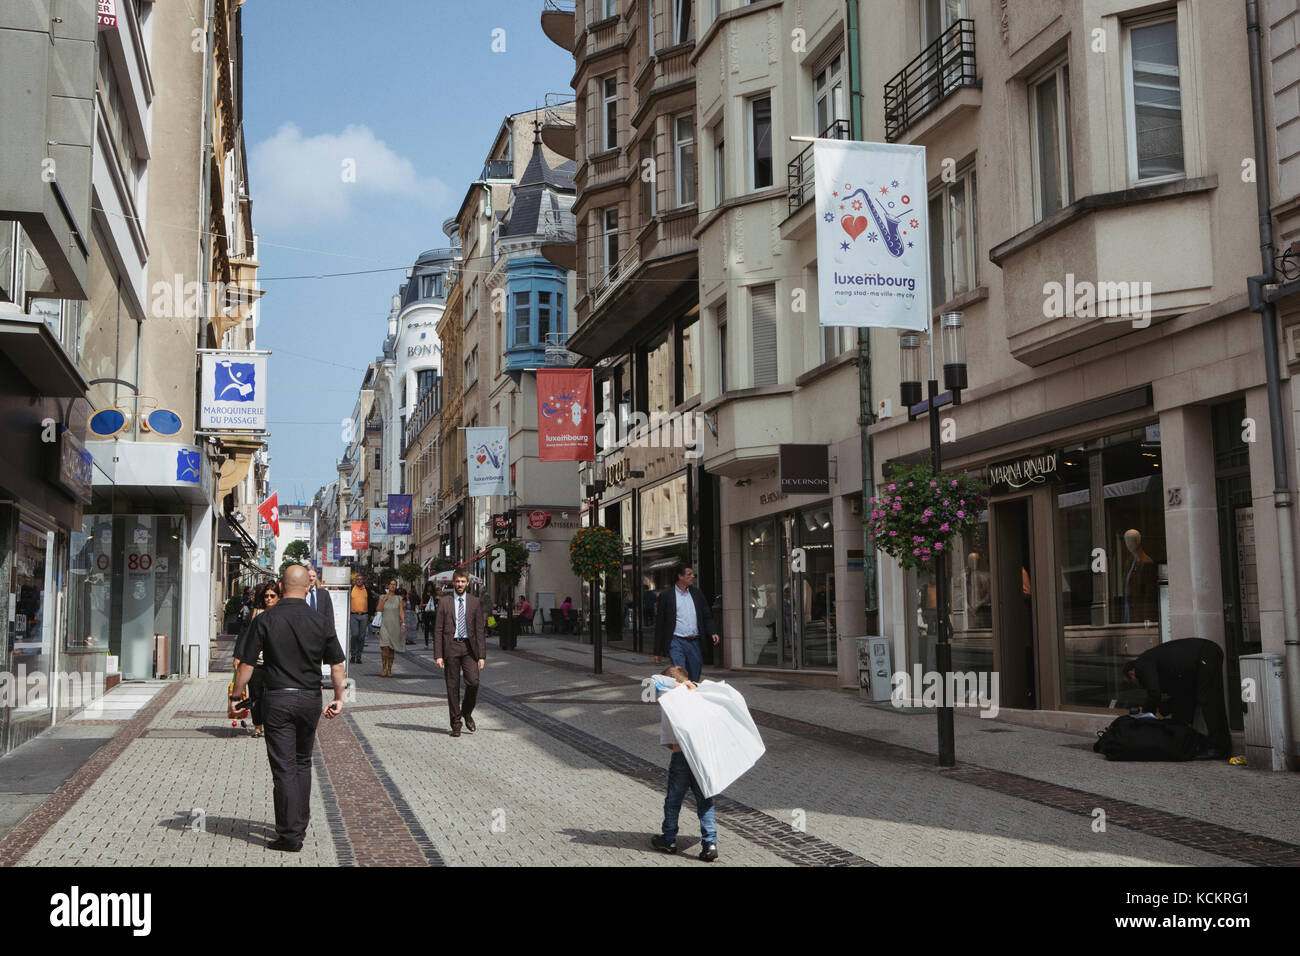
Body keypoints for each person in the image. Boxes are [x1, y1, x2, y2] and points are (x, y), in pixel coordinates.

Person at [231, 565, 345, 852]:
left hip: (278, 699)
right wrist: (339, 697)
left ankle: (289, 835)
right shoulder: (320, 622)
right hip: (309, 699)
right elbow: (337, 665)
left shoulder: (267, 619)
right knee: (303, 763)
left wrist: (235, 695)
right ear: (308, 587)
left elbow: (246, 664)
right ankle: (299, 824)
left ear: (281, 588)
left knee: (283, 768)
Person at [648, 665, 718, 862]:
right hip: (702, 757)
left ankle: (668, 840)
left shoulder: (672, 699)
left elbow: (652, 681)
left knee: (673, 801)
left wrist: (675, 685)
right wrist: (687, 683)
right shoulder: (700, 694)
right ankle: (710, 844)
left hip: (681, 757)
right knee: (705, 802)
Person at [1122, 637, 1231, 758]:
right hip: (1201, 657)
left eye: (1131, 682)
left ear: (1132, 673)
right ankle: (1189, 743)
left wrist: (1147, 713)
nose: (1135, 686)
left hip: (1205, 653)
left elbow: (1154, 692)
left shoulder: (1142, 664)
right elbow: (1179, 694)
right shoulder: (1163, 666)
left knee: (1209, 699)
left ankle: (1219, 747)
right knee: (1190, 700)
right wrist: (1163, 708)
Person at [434, 569, 486, 737]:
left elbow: (479, 630)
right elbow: (438, 630)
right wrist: (438, 655)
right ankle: (456, 724)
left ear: (468, 583)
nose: (460, 584)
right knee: (452, 687)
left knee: (474, 682)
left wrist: (482, 655)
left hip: (469, 649)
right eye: (457, 582)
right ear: (453, 583)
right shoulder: (444, 602)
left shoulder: (474, 602)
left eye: (463, 581)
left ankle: (466, 712)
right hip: (451, 648)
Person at [232, 580, 283, 738]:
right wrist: (239, 656)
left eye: (272, 596)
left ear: (278, 597)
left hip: (275, 664)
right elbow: (245, 636)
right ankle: (257, 726)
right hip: (257, 662)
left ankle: (270, 725)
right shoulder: (257, 614)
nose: (269, 599)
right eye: (266, 596)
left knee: (272, 697)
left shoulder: (283, 615)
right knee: (256, 695)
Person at [653, 563, 719, 683]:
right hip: (676, 641)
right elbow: (660, 623)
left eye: (692, 574)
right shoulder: (667, 595)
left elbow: (706, 615)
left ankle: (691, 697)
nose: (693, 576)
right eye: (689, 574)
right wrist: (657, 651)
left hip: (694, 642)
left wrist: (713, 631)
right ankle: (681, 697)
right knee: (680, 674)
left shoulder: (697, 594)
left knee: (695, 675)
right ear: (680, 576)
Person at [377, 579, 406, 677]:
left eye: (394, 585)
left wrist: (403, 623)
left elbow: (401, 611)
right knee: (385, 647)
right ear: (388, 586)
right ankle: (383, 668)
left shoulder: (399, 598)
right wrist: (384, 600)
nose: (393, 586)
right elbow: (378, 609)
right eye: (391, 584)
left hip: (395, 626)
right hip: (384, 625)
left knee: (392, 648)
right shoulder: (382, 597)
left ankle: (389, 669)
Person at [305, 566, 335, 637]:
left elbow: (329, 616)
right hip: (305, 631)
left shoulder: (324, 594)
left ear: (316, 578)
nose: (311, 578)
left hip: (320, 632)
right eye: (309, 576)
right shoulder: (301, 593)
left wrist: (331, 633)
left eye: (313, 576)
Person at [348, 575, 370, 663]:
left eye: (361, 579)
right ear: (355, 581)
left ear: (363, 580)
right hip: (353, 615)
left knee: (361, 637)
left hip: (364, 615)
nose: (359, 581)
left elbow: (371, 601)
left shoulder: (367, 589)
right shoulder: (351, 589)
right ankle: (353, 654)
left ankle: (358, 656)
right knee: (355, 635)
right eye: (357, 579)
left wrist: (371, 614)